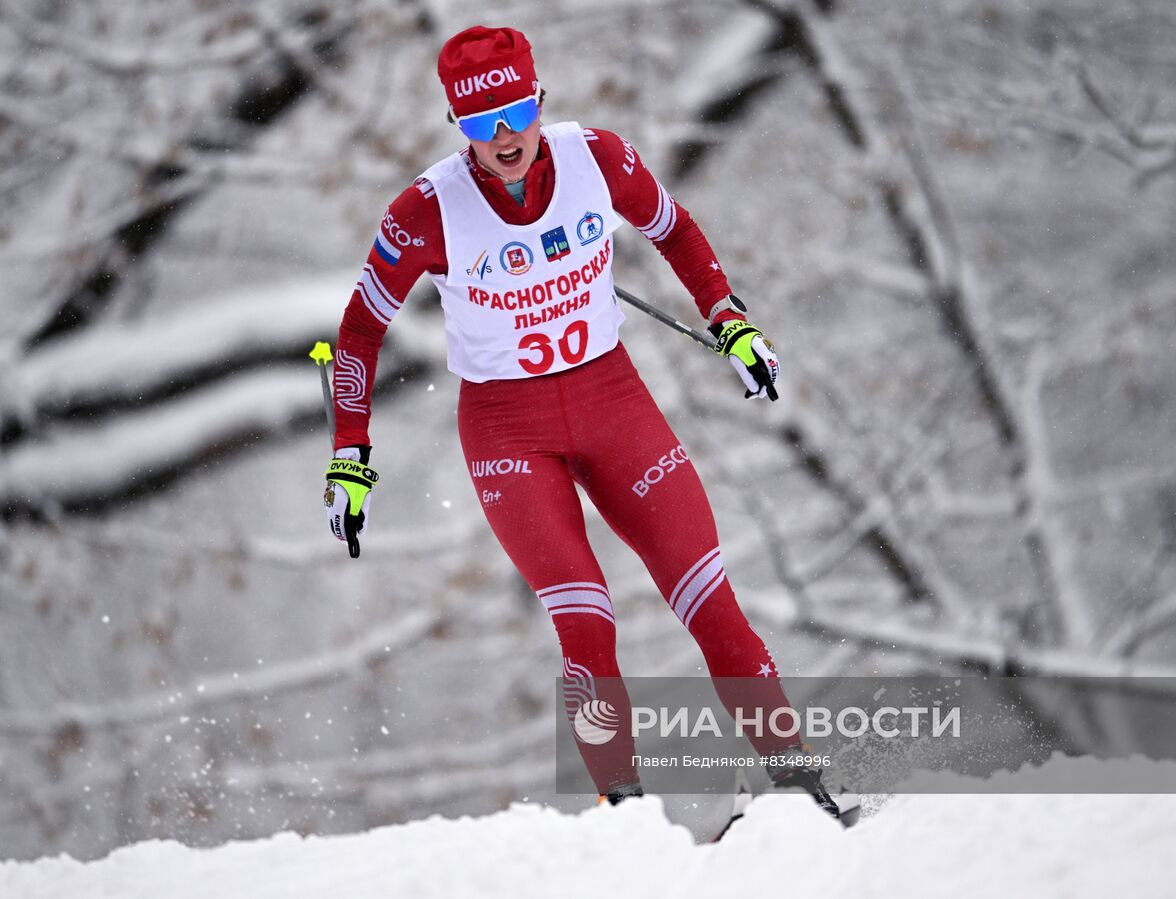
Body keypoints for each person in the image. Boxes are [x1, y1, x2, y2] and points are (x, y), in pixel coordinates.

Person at [324, 25, 853, 821]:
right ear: (457, 128)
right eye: (478, 123)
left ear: (538, 102)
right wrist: (350, 458)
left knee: (711, 597)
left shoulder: (595, 157)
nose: (501, 138)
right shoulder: (427, 209)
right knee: (586, 619)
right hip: (508, 431)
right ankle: (626, 820)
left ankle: (804, 786)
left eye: (512, 113)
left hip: (614, 403)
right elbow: (359, 330)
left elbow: (672, 227)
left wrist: (729, 321)